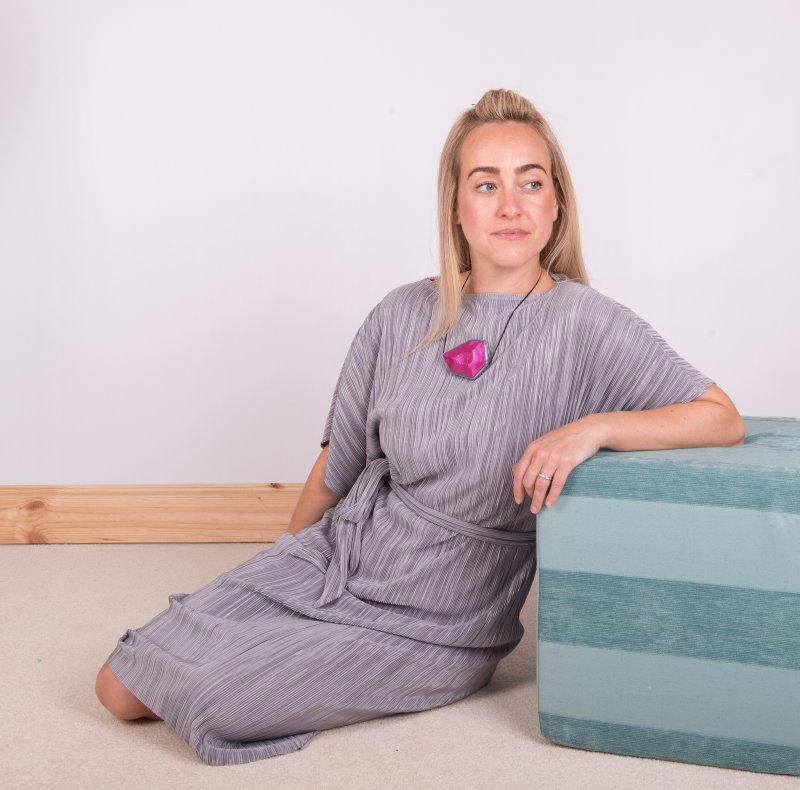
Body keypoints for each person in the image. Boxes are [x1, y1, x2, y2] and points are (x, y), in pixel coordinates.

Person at [95, 89, 745, 766]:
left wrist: (594, 429)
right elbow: (338, 467)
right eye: (486, 185)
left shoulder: (589, 323)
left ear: (557, 203)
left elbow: (720, 417)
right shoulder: (400, 312)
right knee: (119, 685)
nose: (511, 205)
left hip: (441, 617)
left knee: (212, 697)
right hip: (341, 556)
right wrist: (279, 568)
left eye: (531, 183)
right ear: (456, 207)